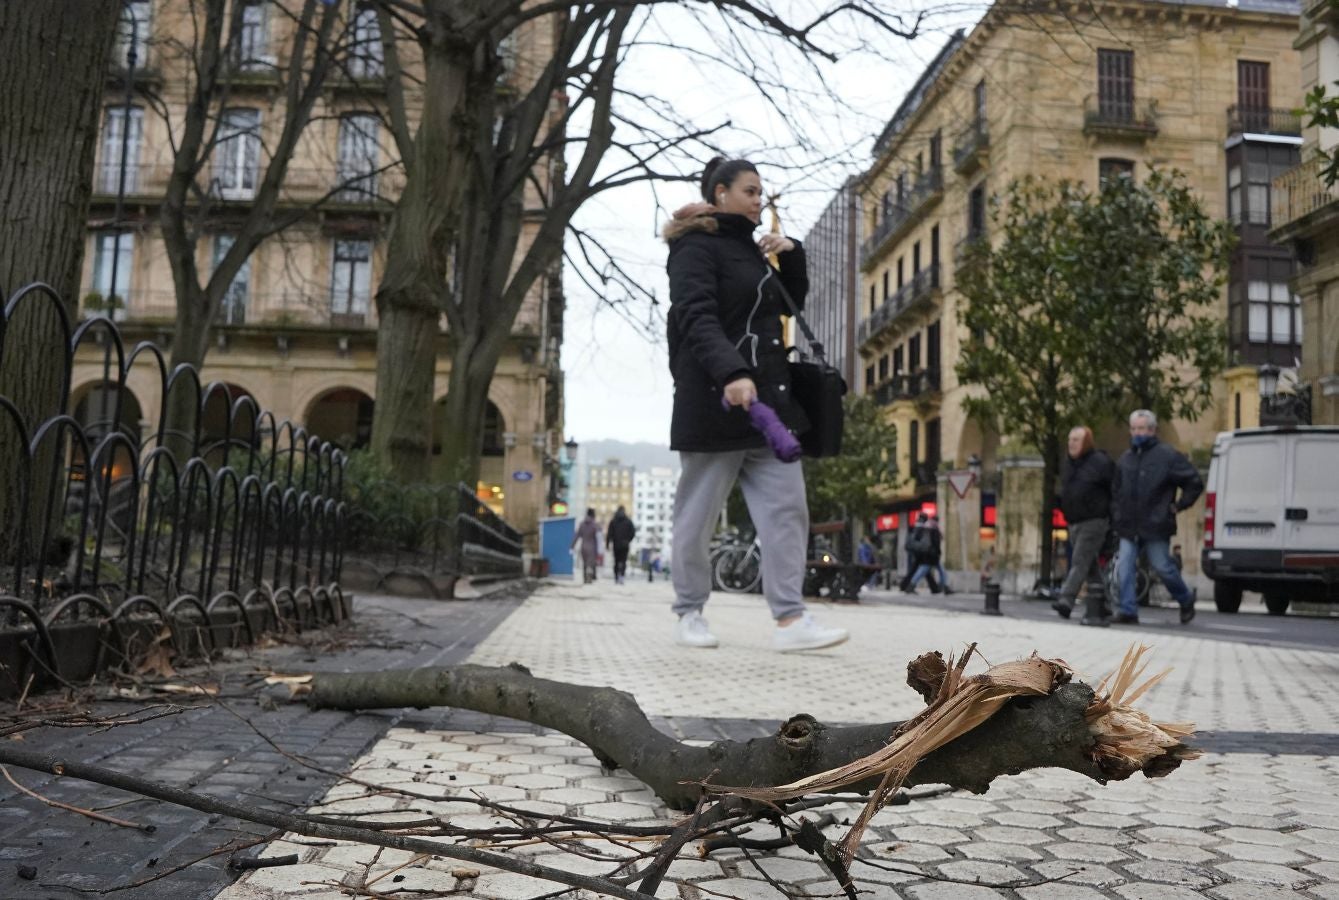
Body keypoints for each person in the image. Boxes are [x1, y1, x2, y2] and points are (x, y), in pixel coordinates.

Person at [663, 156, 848, 653]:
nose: (758, 200)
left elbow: (789, 306)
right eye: (749, 190)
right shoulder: (693, 247)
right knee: (697, 515)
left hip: (770, 409)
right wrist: (731, 373)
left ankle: (791, 620)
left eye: (761, 191)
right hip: (715, 402)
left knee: (788, 510)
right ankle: (689, 612)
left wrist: (791, 254)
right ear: (720, 193)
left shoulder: (751, 250)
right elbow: (695, 317)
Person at [1111, 409, 1203, 625]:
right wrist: (1117, 512)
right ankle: (1128, 610)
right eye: (1133, 428)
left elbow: (1193, 482)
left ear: (1152, 430)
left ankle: (1185, 599)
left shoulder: (1168, 456)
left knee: (1163, 567)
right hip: (1129, 525)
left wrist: (1178, 506)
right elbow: (1116, 489)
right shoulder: (1126, 458)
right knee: (1124, 566)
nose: (1136, 433)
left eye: (1141, 428)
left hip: (1156, 523)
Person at [1051, 425, 1116, 626]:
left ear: (1086, 442)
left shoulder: (1100, 462)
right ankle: (1103, 604)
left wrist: (1112, 517)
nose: (1071, 443)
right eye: (1070, 439)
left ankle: (1066, 599)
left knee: (1079, 560)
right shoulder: (1069, 464)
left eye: (1076, 440)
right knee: (1090, 567)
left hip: (1094, 521)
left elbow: (1114, 489)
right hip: (1074, 522)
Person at [905, 514, 948, 594]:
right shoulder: (934, 529)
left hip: (927, 555)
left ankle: (945, 587)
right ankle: (945, 587)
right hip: (932, 555)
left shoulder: (925, 528)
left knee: (930, 570)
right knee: (926, 570)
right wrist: (937, 553)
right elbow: (935, 544)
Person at [606, 506, 636, 585]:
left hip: (616, 545)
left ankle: (616, 577)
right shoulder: (628, 521)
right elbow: (633, 532)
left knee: (616, 561)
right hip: (625, 545)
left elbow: (609, 534)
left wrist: (608, 544)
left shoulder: (613, 521)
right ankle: (622, 576)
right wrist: (628, 540)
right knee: (623, 561)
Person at [571, 508, 602, 585]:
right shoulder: (595, 525)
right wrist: (600, 550)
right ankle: (589, 577)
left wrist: (572, 546)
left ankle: (585, 578)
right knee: (590, 564)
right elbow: (599, 538)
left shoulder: (582, 524)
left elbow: (577, 536)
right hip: (592, 547)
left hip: (583, 546)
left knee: (585, 563)